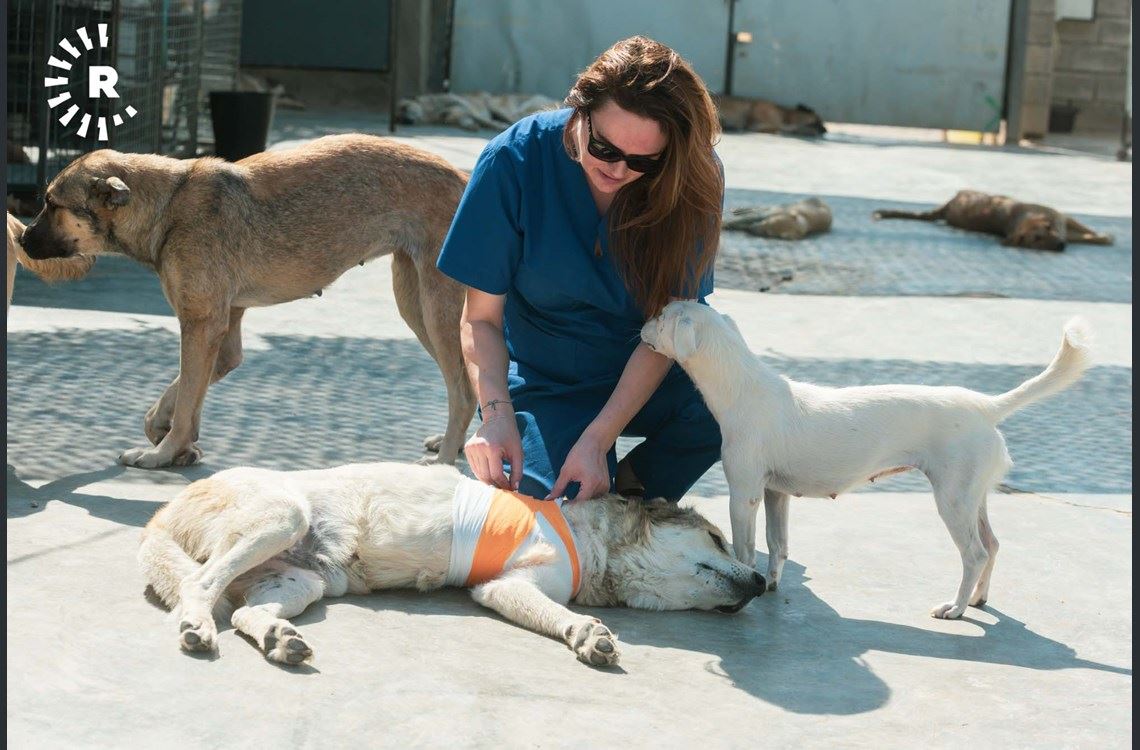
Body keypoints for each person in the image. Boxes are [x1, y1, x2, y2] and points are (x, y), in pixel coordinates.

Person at [436, 36, 724, 503]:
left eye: (643, 162)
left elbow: (670, 328)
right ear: (578, 112)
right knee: (547, 510)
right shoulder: (513, 160)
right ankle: (585, 487)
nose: (618, 171)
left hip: (655, 365)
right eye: (605, 149)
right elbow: (481, 319)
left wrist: (596, 441)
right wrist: (496, 416)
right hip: (550, 379)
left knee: (730, 407)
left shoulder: (693, 174)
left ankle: (632, 498)